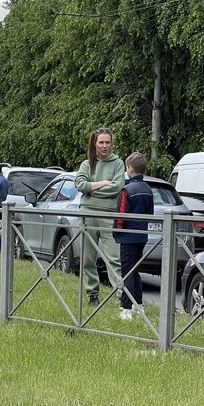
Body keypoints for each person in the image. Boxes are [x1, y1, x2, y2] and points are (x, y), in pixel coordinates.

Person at [74, 127, 125, 306]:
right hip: (87, 214)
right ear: (95, 144)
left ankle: (122, 297)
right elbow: (79, 184)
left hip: (109, 215)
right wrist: (103, 183)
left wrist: (92, 189)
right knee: (87, 257)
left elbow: (117, 187)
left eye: (107, 142)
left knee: (114, 257)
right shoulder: (86, 164)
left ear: (112, 144)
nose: (104, 146)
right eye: (101, 142)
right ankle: (92, 295)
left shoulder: (118, 163)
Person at [114, 152, 154, 320]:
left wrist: (116, 231)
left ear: (129, 168)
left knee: (127, 272)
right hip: (142, 235)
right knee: (135, 270)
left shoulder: (127, 189)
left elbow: (121, 214)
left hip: (128, 236)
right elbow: (150, 213)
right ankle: (139, 305)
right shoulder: (148, 189)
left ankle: (126, 308)